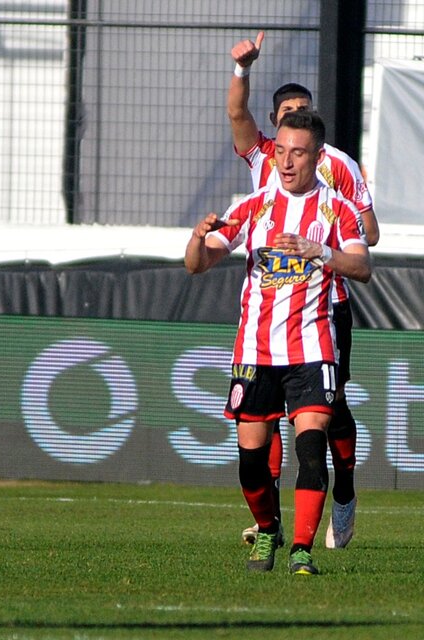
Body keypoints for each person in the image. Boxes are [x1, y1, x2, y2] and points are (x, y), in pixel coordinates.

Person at [185, 110, 371, 574]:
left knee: (310, 449)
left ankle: (302, 552)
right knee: (251, 462)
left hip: (312, 349)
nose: (286, 162)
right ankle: (268, 532)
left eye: (298, 153)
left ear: (317, 156)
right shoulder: (254, 205)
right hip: (255, 351)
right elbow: (198, 264)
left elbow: (362, 267)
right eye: (281, 151)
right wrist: (196, 238)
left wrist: (321, 252)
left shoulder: (337, 209)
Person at [228, 31, 379, 551]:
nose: (296, 116)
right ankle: (269, 519)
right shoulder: (264, 160)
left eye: (304, 110)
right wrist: (243, 70)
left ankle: (342, 494)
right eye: (288, 110)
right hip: (269, 302)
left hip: (323, 305)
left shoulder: (338, 168)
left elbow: (368, 236)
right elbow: (235, 117)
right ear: (275, 124)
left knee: (325, 410)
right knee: (261, 423)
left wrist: (325, 245)